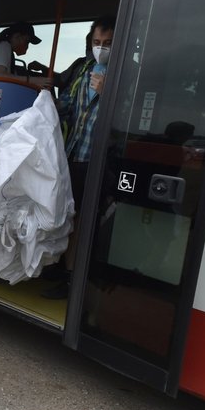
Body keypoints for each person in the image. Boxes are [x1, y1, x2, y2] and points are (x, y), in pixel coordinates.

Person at [42, 16, 116, 299]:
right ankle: (65, 271)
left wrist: (107, 94)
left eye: (108, 44)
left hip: (101, 161)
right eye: (97, 43)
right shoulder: (84, 71)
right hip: (74, 155)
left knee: (86, 222)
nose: (101, 48)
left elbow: (128, 121)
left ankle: (77, 279)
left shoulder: (127, 75)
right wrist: (46, 102)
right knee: (70, 218)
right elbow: (68, 109)